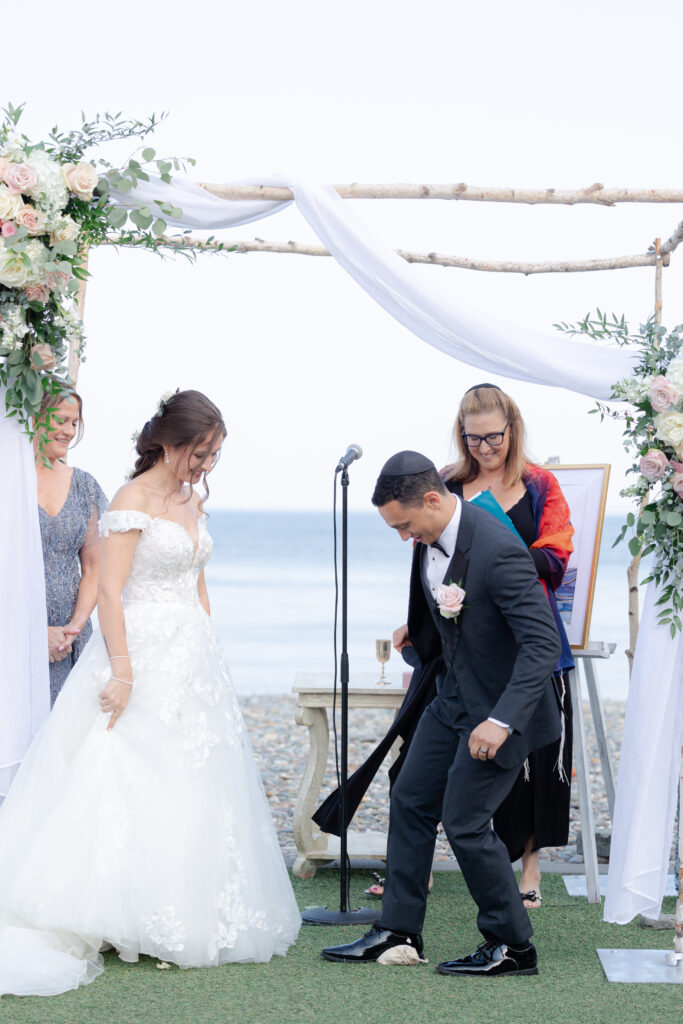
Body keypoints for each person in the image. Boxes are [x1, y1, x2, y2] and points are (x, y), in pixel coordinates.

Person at [0, 390, 300, 997]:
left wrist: (210, 653)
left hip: (191, 656)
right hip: (136, 651)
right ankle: (102, 909)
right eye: (200, 451)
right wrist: (123, 670)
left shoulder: (194, 501)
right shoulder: (130, 499)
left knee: (193, 779)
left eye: (214, 454)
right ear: (169, 442)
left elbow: (197, 583)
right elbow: (110, 592)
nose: (206, 464)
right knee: (118, 771)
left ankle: (180, 903)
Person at [322, 451, 561, 976]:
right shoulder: (428, 539)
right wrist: (422, 631)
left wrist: (500, 722)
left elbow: (542, 644)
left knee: (465, 820)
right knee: (409, 796)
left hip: (504, 709)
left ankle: (513, 946)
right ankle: (398, 931)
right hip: (453, 695)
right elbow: (452, 612)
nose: (403, 537)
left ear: (433, 499)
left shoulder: (498, 548)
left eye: (405, 525)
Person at [442, 383, 574, 908]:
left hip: (530, 631)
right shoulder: (450, 484)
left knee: (536, 758)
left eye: (492, 437)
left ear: (512, 430)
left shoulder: (541, 484)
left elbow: (558, 557)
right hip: (467, 639)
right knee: (467, 752)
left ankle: (532, 868)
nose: (484, 448)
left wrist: (500, 552)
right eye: (473, 439)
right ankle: (479, 860)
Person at [35, 387, 108, 706]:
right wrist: (35, 632)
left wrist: (74, 629)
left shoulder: (85, 485)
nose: (68, 431)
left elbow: (94, 566)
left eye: (75, 423)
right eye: (61, 420)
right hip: (13, 634)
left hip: (71, 641)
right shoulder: (9, 482)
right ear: (35, 418)